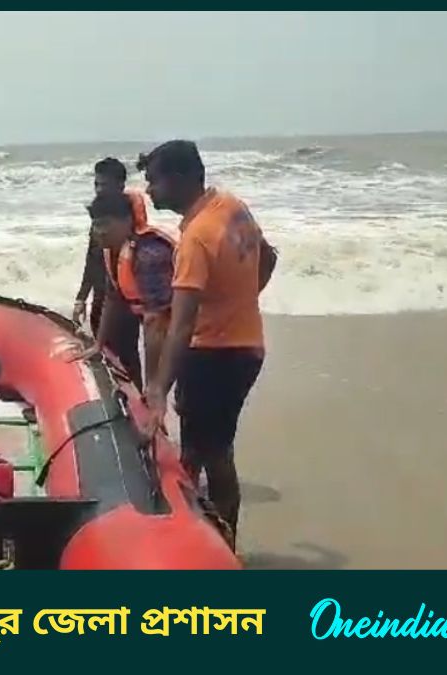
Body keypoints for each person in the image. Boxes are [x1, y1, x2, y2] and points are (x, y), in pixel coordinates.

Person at [138, 140, 278, 547]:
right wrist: (239, 303)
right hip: (247, 348)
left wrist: (157, 391)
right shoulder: (232, 206)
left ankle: (223, 547)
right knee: (199, 449)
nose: (149, 190)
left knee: (215, 454)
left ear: (181, 178)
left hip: (215, 356)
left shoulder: (196, 239)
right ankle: (194, 533)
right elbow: (268, 258)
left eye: (154, 181)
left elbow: (180, 327)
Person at [69, 191, 176, 390]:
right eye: (95, 225)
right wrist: (99, 345)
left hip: (198, 332)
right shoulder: (113, 249)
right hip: (171, 327)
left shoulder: (148, 254)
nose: (98, 232)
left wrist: (153, 384)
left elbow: (155, 323)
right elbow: (112, 296)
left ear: (127, 220)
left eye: (105, 224)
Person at [72, 157, 151, 381]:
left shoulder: (125, 221)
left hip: (125, 298)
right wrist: (81, 297)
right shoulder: (100, 218)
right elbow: (92, 259)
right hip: (105, 294)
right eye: (96, 184)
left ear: (120, 185)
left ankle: (137, 392)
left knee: (126, 354)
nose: (99, 190)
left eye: (104, 185)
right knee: (103, 350)